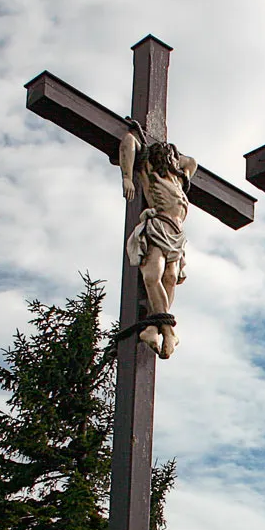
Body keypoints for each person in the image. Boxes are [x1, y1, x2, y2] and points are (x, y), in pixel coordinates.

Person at [118, 126, 198, 358]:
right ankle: (168, 330)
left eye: (175, 158)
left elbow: (191, 162)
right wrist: (126, 177)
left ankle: (153, 328)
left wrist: (178, 162)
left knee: (171, 278)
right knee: (153, 275)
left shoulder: (178, 179)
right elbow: (129, 141)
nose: (174, 161)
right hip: (159, 226)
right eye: (170, 157)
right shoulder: (148, 168)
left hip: (177, 233)